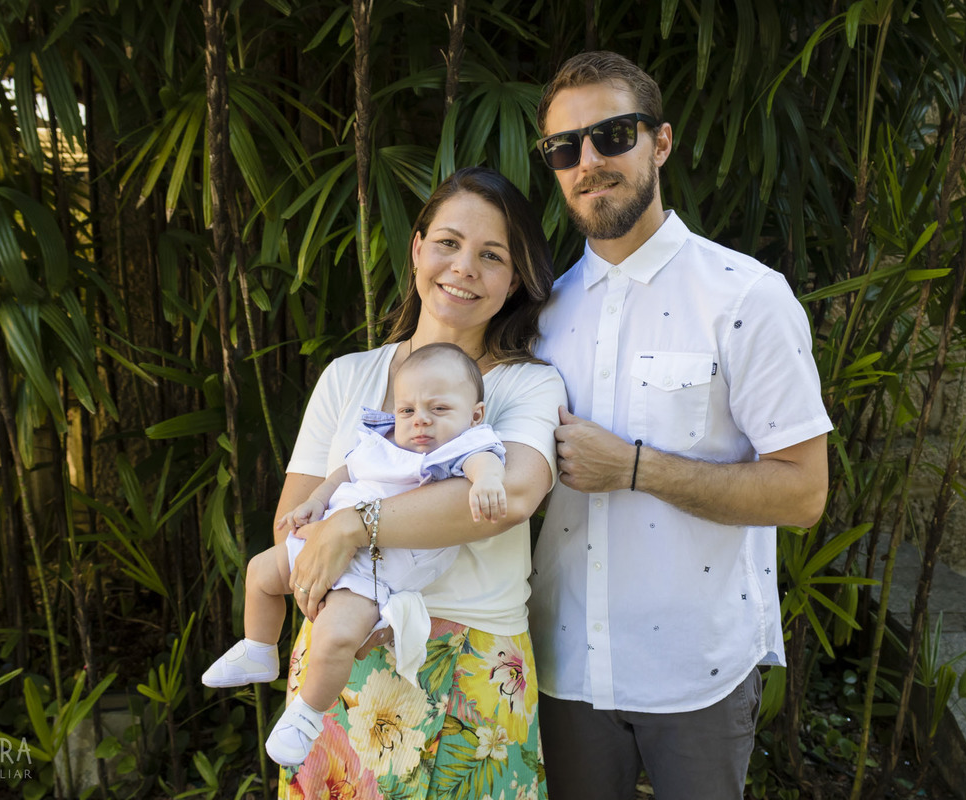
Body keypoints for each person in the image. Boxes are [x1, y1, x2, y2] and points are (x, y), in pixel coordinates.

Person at [528, 50, 833, 800]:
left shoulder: (747, 298)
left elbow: (804, 494)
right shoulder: (538, 314)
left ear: (660, 142)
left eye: (611, 135)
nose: (588, 162)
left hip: (699, 671)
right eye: (564, 148)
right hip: (563, 663)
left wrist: (635, 468)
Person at [273, 166, 563, 799]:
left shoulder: (528, 385)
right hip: (338, 657)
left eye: (492, 256)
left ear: (515, 280)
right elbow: (292, 522)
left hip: (472, 663)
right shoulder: (348, 376)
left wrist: (353, 527)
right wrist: (334, 580)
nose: (464, 268)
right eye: (448, 243)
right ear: (417, 248)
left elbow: (509, 496)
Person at [202, 342, 510, 767]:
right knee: (260, 572)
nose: (420, 419)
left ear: (474, 415)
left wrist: (488, 482)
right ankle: (259, 647)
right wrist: (315, 501)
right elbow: (343, 472)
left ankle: (306, 716)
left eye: (439, 409)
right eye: (407, 410)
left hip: (378, 566)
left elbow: (484, 462)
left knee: (336, 636)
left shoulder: (461, 447)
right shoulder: (382, 439)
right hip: (323, 542)